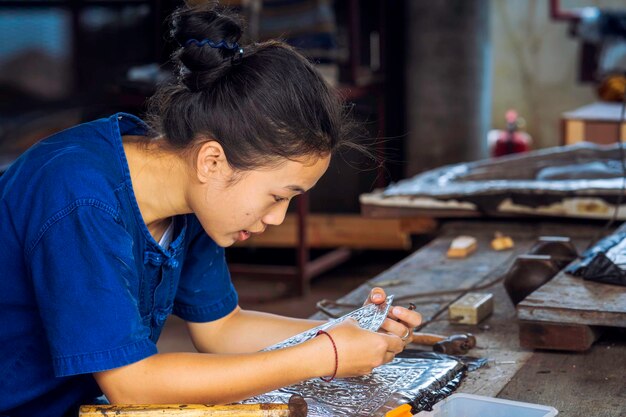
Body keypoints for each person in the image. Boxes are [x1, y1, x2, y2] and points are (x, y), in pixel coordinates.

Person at [0, 4, 421, 416]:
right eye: (278, 196)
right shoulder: (81, 194)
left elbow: (223, 329)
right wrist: (322, 355)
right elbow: (134, 385)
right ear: (213, 161)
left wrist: (348, 333)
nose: (277, 218)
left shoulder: (190, 191)